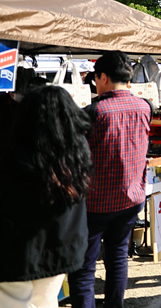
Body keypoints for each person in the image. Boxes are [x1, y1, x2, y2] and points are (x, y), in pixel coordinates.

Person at [69, 51, 152, 308]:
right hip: (131, 197)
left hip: (96, 202)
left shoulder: (93, 112)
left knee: (84, 267)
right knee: (118, 257)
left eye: (96, 78)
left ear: (103, 77)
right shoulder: (145, 106)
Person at [1, 85, 92, 308]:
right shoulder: (77, 152)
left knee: (13, 302)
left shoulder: (15, 154)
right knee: (46, 301)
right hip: (62, 245)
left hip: (16, 250)